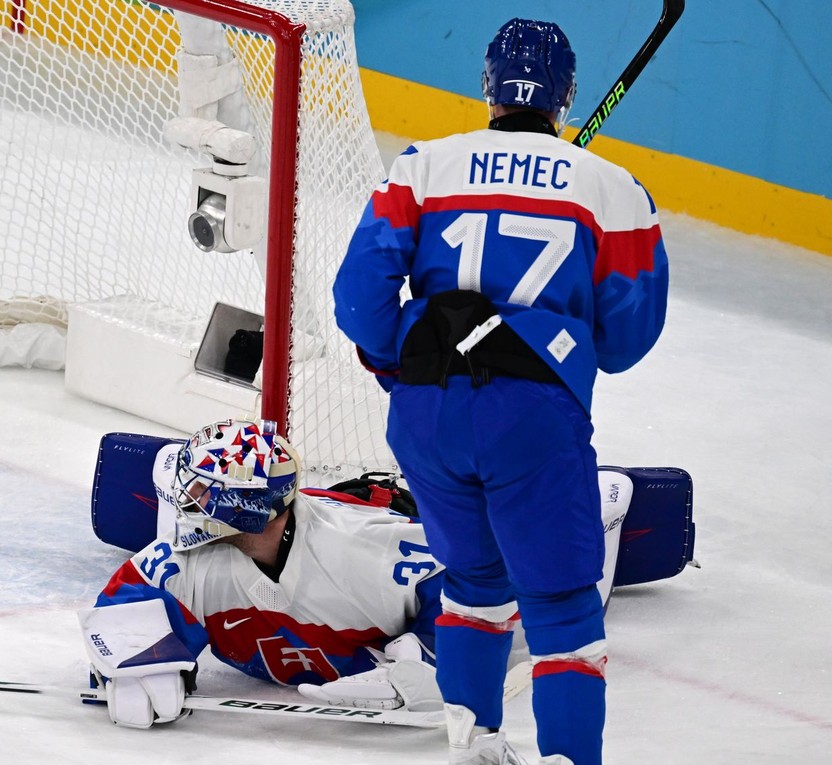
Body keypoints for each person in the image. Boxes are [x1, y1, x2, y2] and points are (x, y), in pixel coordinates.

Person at [331, 17, 669, 765]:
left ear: (486, 87)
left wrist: (412, 362)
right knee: (561, 604)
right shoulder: (612, 188)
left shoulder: (422, 166)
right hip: (532, 413)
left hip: (425, 412)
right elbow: (628, 337)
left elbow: (359, 300)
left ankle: (472, 744)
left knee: (475, 583)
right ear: (566, 96)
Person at [77, 418, 637, 744]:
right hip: (292, 543)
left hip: (376, 525)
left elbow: (481, 577)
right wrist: (128, 650)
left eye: (201, 494)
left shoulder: (364, 551)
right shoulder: (189, 558)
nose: (185, 507)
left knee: (554, 580)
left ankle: (598, 508)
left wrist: (434, 655)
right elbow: (131, 590)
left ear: (245, 508)